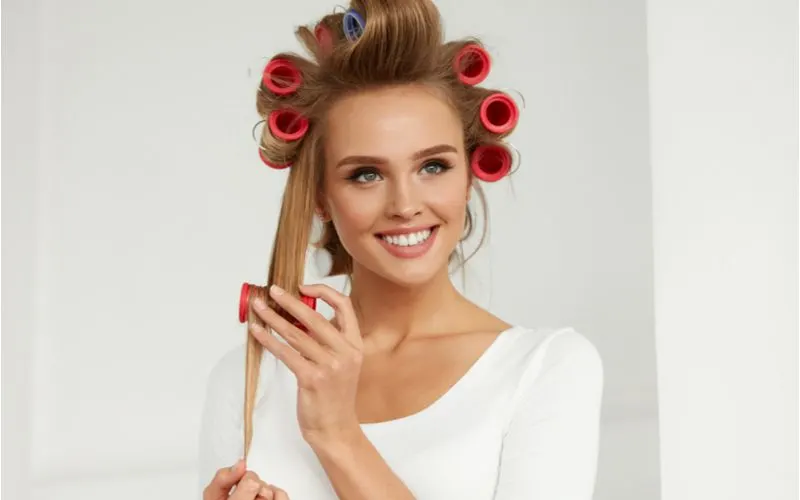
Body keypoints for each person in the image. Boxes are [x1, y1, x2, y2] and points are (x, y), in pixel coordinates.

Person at [199, 0, 604, 498]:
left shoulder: (546, 370)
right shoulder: (249, 378)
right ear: (322, 196)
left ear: (471, 173)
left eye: (433, 166)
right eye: (365, 174)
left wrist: (338, 436)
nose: (406, 205)